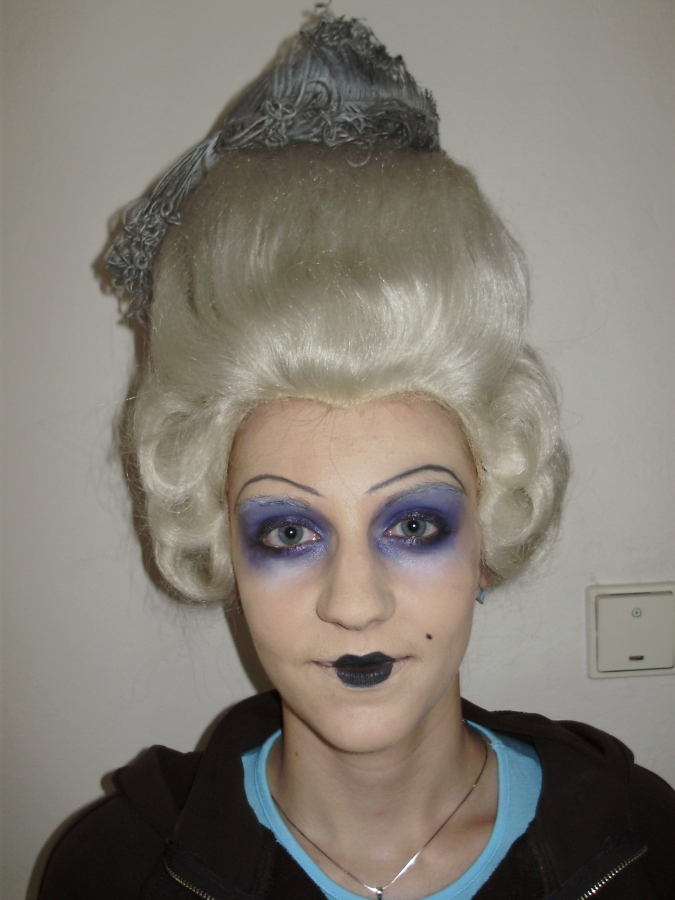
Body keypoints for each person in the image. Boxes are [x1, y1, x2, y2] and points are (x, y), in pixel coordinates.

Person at [38, 10, 675, 900]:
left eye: (413, 524)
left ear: (486, 540)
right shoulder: (113, 872)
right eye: (288, 533)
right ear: (225, 554)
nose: (353, 605)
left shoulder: (643, 848)